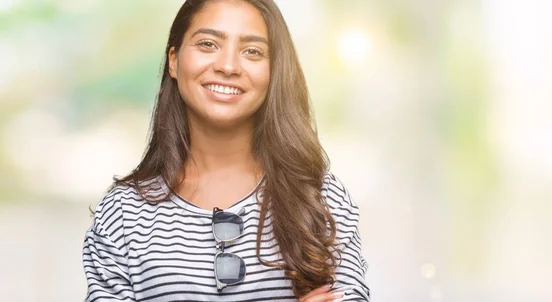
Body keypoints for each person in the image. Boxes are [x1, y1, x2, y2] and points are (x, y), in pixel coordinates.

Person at [82, 0, 369, 301]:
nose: (228, 66)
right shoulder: (123, 213)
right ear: (174, 60)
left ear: (274, 73)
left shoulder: (320, 199)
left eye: (252, 52)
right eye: (208, 44)